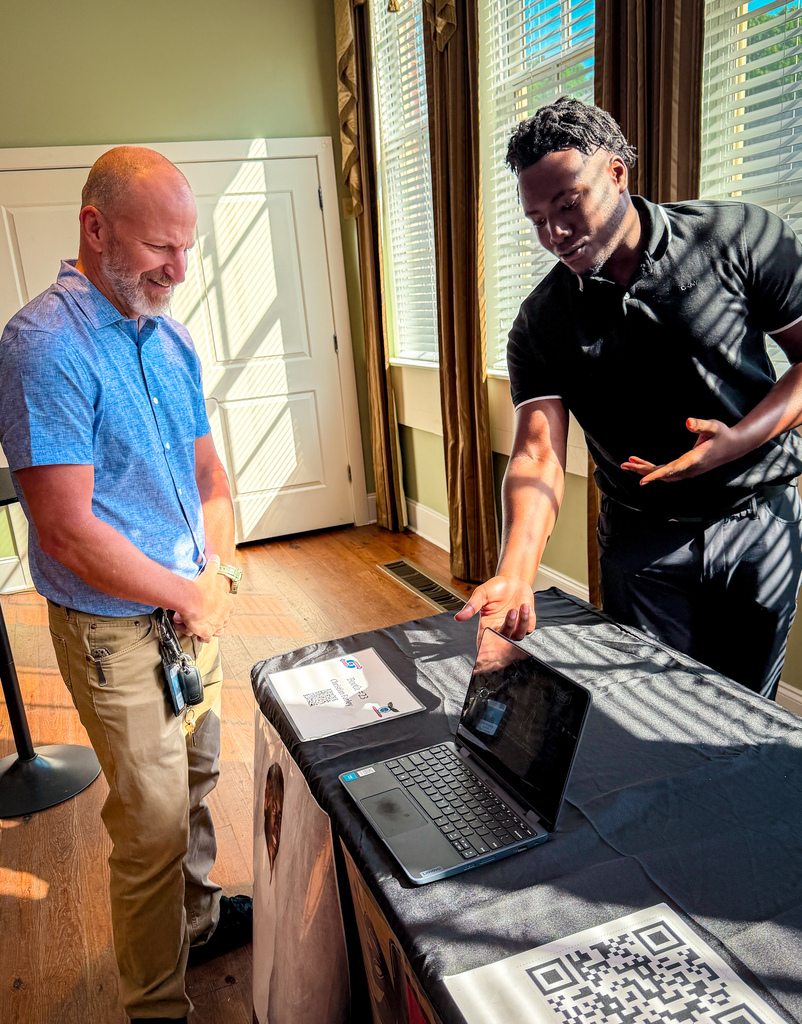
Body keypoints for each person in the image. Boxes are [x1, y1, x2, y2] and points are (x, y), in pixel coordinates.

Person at [0, 147, 252, 1023]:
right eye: (159, 250)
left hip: (193, 607)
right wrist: (189, 596)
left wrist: (213, 573)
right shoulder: (42, 345)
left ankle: (201, 921)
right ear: (94, 228)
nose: (178, 273)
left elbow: (213, 478)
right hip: (119, 629)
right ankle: (156, 1007)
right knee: (148, 824)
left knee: (195, 776)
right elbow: (67, 530)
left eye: (188, 251)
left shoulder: (170, 337)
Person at [456, 96, 802, 700]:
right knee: (650, 714)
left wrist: (737, 442)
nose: (555, 234)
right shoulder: (541, 323)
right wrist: (515, 572)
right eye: (537, 219)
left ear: (616, 172)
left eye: (567, 206)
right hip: (642, 541)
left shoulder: (738, 237)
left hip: (759, 522)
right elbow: (538, 456)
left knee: (748, 719)